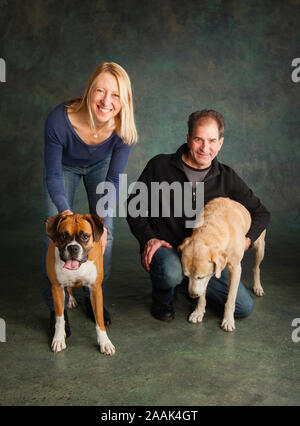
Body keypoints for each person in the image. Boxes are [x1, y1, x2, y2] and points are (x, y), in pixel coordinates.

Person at [127, 109, 270, 322]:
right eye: (198, 139)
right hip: (167, 250)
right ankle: (163, 298)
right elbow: (133, 207)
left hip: (205, 258)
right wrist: (149, 238)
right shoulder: (160, 166)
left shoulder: (226, 177)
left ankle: (192, 282)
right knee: (170, 271)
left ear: (220, 143)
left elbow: (261, 212)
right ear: (188, 139)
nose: (205, 148)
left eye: (212, 141)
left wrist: (246, 241)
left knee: (243, 308)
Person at [43, 62, 138, 335]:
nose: (107, 101)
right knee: (53, 232)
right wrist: (66, 213)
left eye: (116, 94)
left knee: (106, 236)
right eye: (100, 91)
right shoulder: (58, 121)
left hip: (100, 167)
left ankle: (92, 291)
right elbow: (52, 176)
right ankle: (56, 304)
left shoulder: (123, 128)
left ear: (124, 99)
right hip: (63, 168)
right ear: (89, 92)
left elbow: (114, 180)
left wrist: (104, 223)